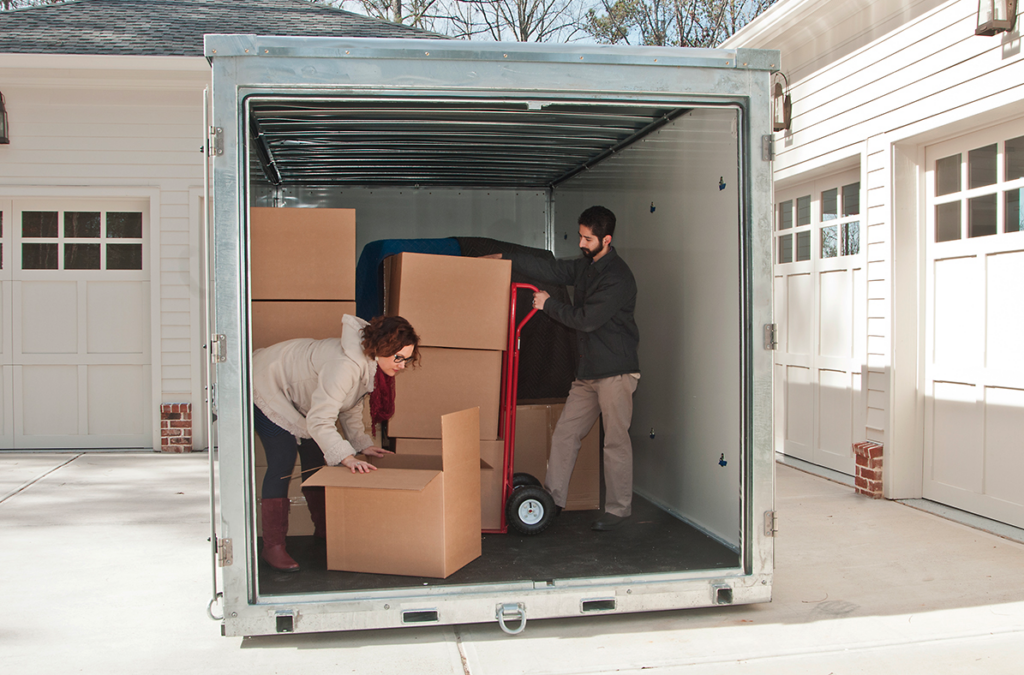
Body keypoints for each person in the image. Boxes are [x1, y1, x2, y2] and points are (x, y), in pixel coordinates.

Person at [501, 206, 640, 531]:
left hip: (616, 373)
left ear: (606, 239)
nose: (581, 242)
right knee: (565, 434)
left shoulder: (618, 277)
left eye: (587, 238)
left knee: (615, 442)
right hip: (589, 373)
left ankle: (619, 512)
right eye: (580, 235)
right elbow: (551, 269)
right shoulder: (587, 267)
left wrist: (548, 304)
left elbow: (587, 320)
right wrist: (506, 257)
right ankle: (552, 502)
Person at [252, 314, 420, 572]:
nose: (402, 365)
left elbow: (348, 404)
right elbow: (320, 420)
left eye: (407, 359)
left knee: (315, 459)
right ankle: (273, 546)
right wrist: (346, 456)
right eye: (398, 357)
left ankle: (325, 530)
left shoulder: (367, 361)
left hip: (296, 397)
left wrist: (361, 444)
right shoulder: (345, 365)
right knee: (283, 458)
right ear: (382, 348)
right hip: (265, 384)